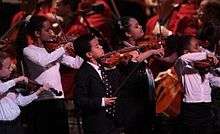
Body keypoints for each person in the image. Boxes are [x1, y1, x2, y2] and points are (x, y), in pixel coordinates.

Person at [21, 15, 83, 134]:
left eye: (51, 29)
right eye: (47, 29)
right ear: (37, 33)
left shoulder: (53, 49)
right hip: (42, 100)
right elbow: (43, 61)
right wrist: (63, 48)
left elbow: (76, 64)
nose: (51, 32)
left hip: (58, 99)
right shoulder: (28, 50)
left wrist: (80, 48)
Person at [113, 16, 164, 134]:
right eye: (136, 26)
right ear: (127, 33)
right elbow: (135, 61)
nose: (141, 27)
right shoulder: (122, 50)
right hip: (134, 105)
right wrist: (151, 51)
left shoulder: (137, 48)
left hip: (144, 101)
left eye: (139, 24)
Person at [74, 34, 121, 134]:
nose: (101, 47)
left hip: (112, 122)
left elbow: (116, 86)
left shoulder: (103, 67)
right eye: (97, 46)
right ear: (89, 54)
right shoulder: (83, 73)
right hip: (97, 124)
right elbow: (79, 100)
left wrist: (113, 67)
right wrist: (102, 102)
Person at [175, 35, 220, 134]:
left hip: (207, 107)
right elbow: (183, 58)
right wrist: (206, 55)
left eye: (200, 46)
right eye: (196, 47)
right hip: (191, 108)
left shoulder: (205, 66)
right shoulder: (182, 65)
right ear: (186, 51)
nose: (200, 49)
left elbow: (213, 80)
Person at [0, 51, 49, 134]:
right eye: (8, 67)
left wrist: (39, 91)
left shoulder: (8, 84)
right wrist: (16, 80)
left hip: (17, 124)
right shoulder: (6, 85)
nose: (11, 69)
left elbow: (21, 101)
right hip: (4, 128)